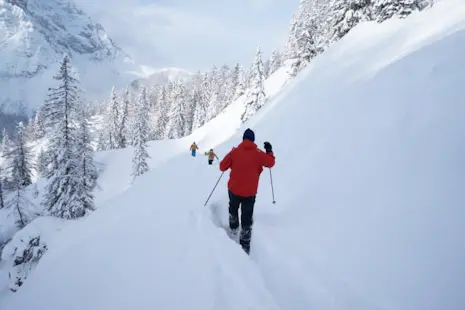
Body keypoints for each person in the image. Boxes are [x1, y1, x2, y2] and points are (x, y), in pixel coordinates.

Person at [219, 128, 275, 254]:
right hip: (250, 192)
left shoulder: (235, 152)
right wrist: (269, 151)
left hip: (234, 189)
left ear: (243, 139)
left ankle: (233, 229)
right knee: (247, 217)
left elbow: (222, 167)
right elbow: (271, 163)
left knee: (233, 209)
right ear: (253, 140)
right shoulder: (259, 153)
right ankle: (245, 245)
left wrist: (232, 156)